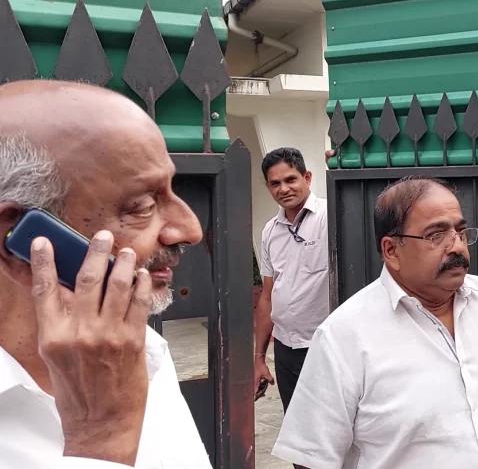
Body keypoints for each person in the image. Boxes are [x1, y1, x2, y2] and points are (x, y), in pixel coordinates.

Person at [272, 175, 478, 469]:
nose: (457, 246)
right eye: (436, 235)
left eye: (460, 232)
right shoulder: (343, 336)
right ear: (391, 250)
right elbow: (312, 458)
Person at [0, 80, 211, 468]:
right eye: (142, 206)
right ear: (17, 237)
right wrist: (101, 441)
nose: (190, 229)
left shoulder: (139, 349)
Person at [253, 148, 329, 417]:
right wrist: (259, 358)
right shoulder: (270, 231)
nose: (283, 189)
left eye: (290, 179)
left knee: (330, 429)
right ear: (268, 187)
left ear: (307, 178)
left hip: (325, 347)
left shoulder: (329, 216)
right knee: (296, 427)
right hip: (286, 349)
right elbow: (267, 295)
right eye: (275, 183)